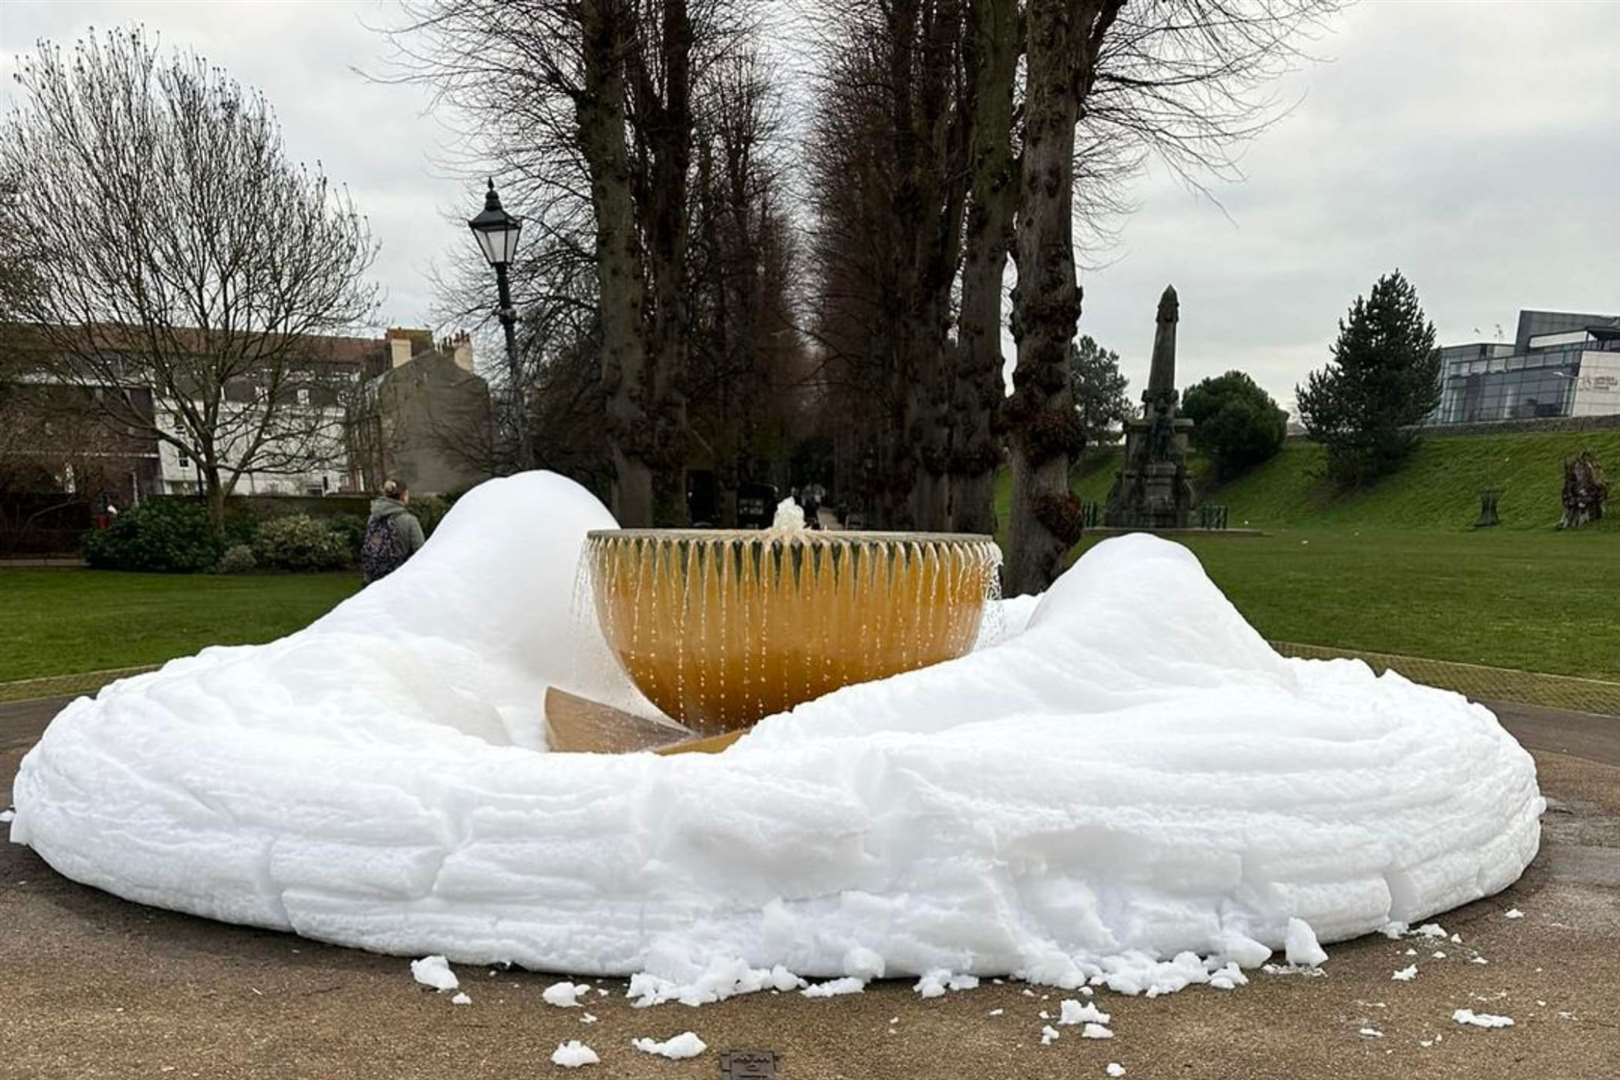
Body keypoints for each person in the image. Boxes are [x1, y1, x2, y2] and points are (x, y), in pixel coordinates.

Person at [361, 479, 426, 583]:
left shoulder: (373, 517)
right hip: (399, 579)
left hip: (373, 578)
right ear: (403, 496)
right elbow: (421, 553)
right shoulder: (409, 520)